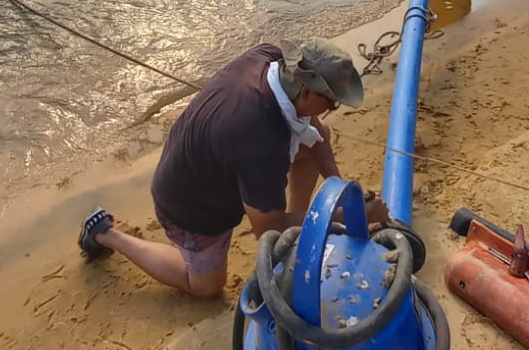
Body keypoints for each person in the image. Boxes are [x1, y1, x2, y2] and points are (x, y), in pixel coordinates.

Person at [78, 40, 388, 300]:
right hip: (190, 204)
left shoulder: (270, 59)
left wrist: (344, 190)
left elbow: (314, 130)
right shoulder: (262, 142)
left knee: (317, 140)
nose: (332, 110)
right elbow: (269, 229)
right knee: (206, 289)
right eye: (332, 103)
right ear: (307, 92)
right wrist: (347, 216)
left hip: (203, 158)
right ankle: (106, 235)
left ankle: (295, 235)